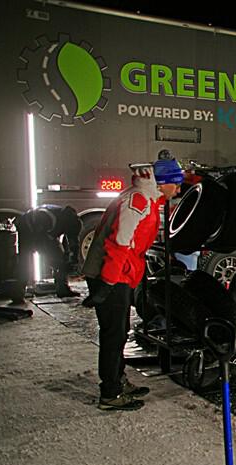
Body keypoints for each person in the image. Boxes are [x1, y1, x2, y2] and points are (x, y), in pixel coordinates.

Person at [81, 159, 183, 411]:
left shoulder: (144, 197)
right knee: (113, 334)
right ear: (164, 183)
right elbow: (119, 244)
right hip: (110, 274)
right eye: (177, 184)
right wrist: (107, 282)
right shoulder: (139, 201)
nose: (178, 190)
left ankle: (118, 380)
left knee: (119, 329)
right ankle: (111, 393)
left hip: (117, 274)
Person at [10, 204, 82, 304]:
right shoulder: (46, 217)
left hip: (45, 233)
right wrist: (55, 261)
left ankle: (63, 290)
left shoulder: (70, 222)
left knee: (61, 258)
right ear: (65, 226)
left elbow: (73, 242)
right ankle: (17, 295)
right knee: (25, 262)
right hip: (26, 229)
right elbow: (42, 243)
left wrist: (73, 258)